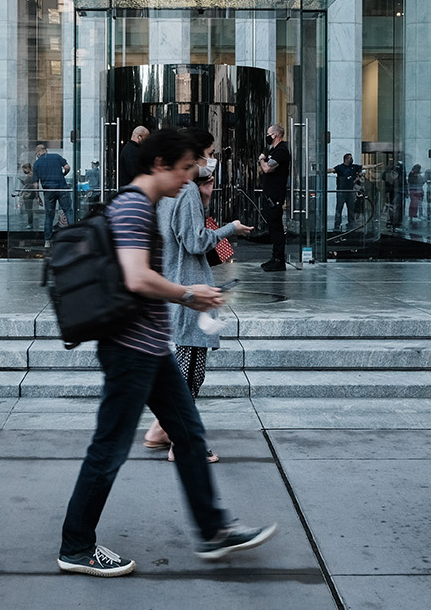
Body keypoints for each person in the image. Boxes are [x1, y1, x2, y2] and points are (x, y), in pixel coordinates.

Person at [58, 128, 274, 577]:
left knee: (190, 436)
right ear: (160, 165)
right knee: (109, 449)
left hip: (150, 347)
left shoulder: (143, 202)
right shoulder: (136, 204)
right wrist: (187, 294)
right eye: (185, 168)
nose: (191, 177)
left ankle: (213, 531)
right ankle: (76, 546)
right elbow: (137, 278)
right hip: (130, 349)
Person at [142, 130, 253, 462]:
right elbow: (196, 243)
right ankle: (184, 442)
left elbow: (177, 234)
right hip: (190, 291)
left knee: (186, 369)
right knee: (191, 373)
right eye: (209, 153)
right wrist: (230, 227)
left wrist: (203, 199)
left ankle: (159, 431)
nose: (212, 160)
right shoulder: (185, 189)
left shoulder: (167, 187)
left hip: (175, 288)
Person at [258, 124, 290, 271]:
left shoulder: (281, 151)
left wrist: (261, 160)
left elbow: (267, 168)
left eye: (269, 133)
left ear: (276, 135)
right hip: (270, 193)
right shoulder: (273, 151)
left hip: (276, 195)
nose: (267, 136)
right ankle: (274, 257)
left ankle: (279, 260)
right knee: (272, 226)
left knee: (276, 227)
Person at [34, 141, 73, 245]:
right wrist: (63, 175)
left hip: (48, 191)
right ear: (45, 150)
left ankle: (47, 241)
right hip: (62, 188)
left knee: (49, 216)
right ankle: (73, 237)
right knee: (68, 211)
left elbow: (36, 183)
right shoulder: (56, 156)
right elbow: (67, 167)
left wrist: (38, 197)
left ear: (38, 153)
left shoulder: (37, 164)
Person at [331, 153, 361, 230]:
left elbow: (364, 167)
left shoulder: (354, 167)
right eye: (350, 158)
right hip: (341, 191)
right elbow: (332, 170)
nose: (351, 160)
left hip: (350, 190)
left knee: (351, 208)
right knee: (339, 208)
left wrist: (374, 166)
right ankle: (337, 223)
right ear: (346, 159)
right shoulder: (340, 167)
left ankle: (351, 223)